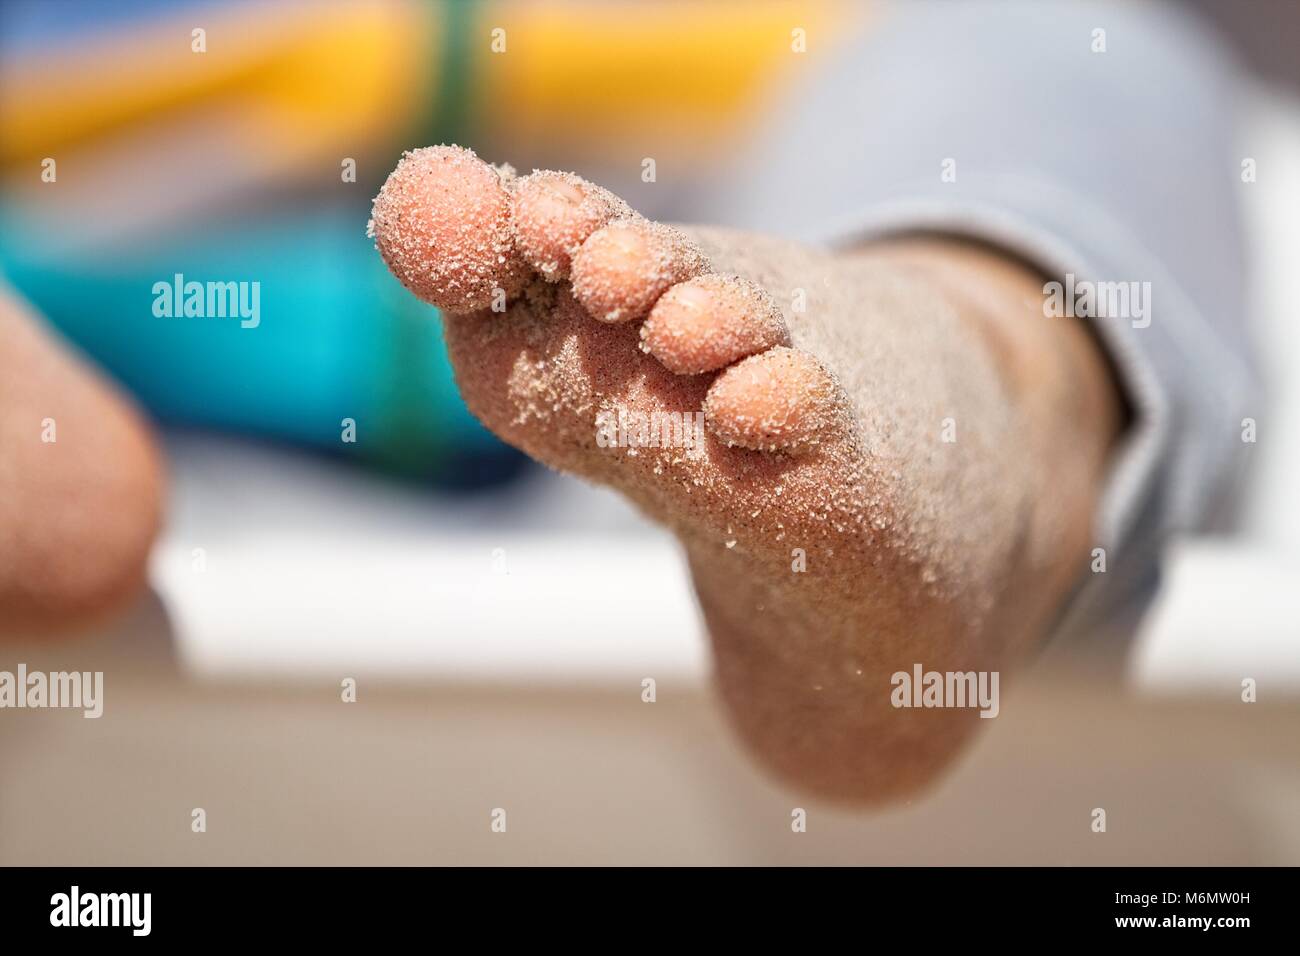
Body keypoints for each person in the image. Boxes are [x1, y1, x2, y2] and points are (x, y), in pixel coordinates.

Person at [1, 2, 1258, 802]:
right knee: (1052, 49)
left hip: (727, 298)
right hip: (197, 385)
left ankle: (969, 364)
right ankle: (977, 358)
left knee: (1027, 36)